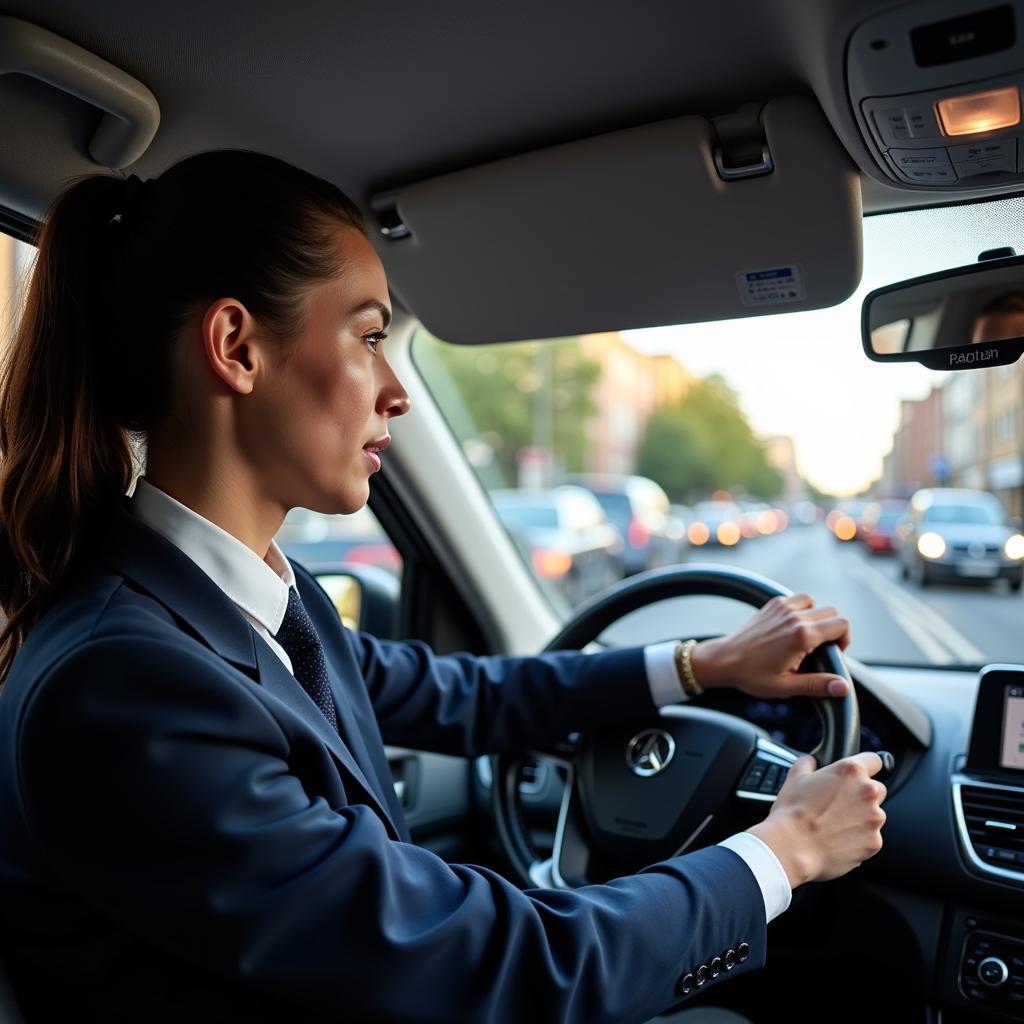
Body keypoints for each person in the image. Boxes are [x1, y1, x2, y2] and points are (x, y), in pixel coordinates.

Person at [0, 151, 886, 1023]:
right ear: (236, 347)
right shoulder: (123, 683)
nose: (398, 392)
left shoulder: (259, 598)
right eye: (371, 336)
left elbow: (462, 694)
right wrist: (788, 847)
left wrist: (705, 664)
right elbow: (496, 968)